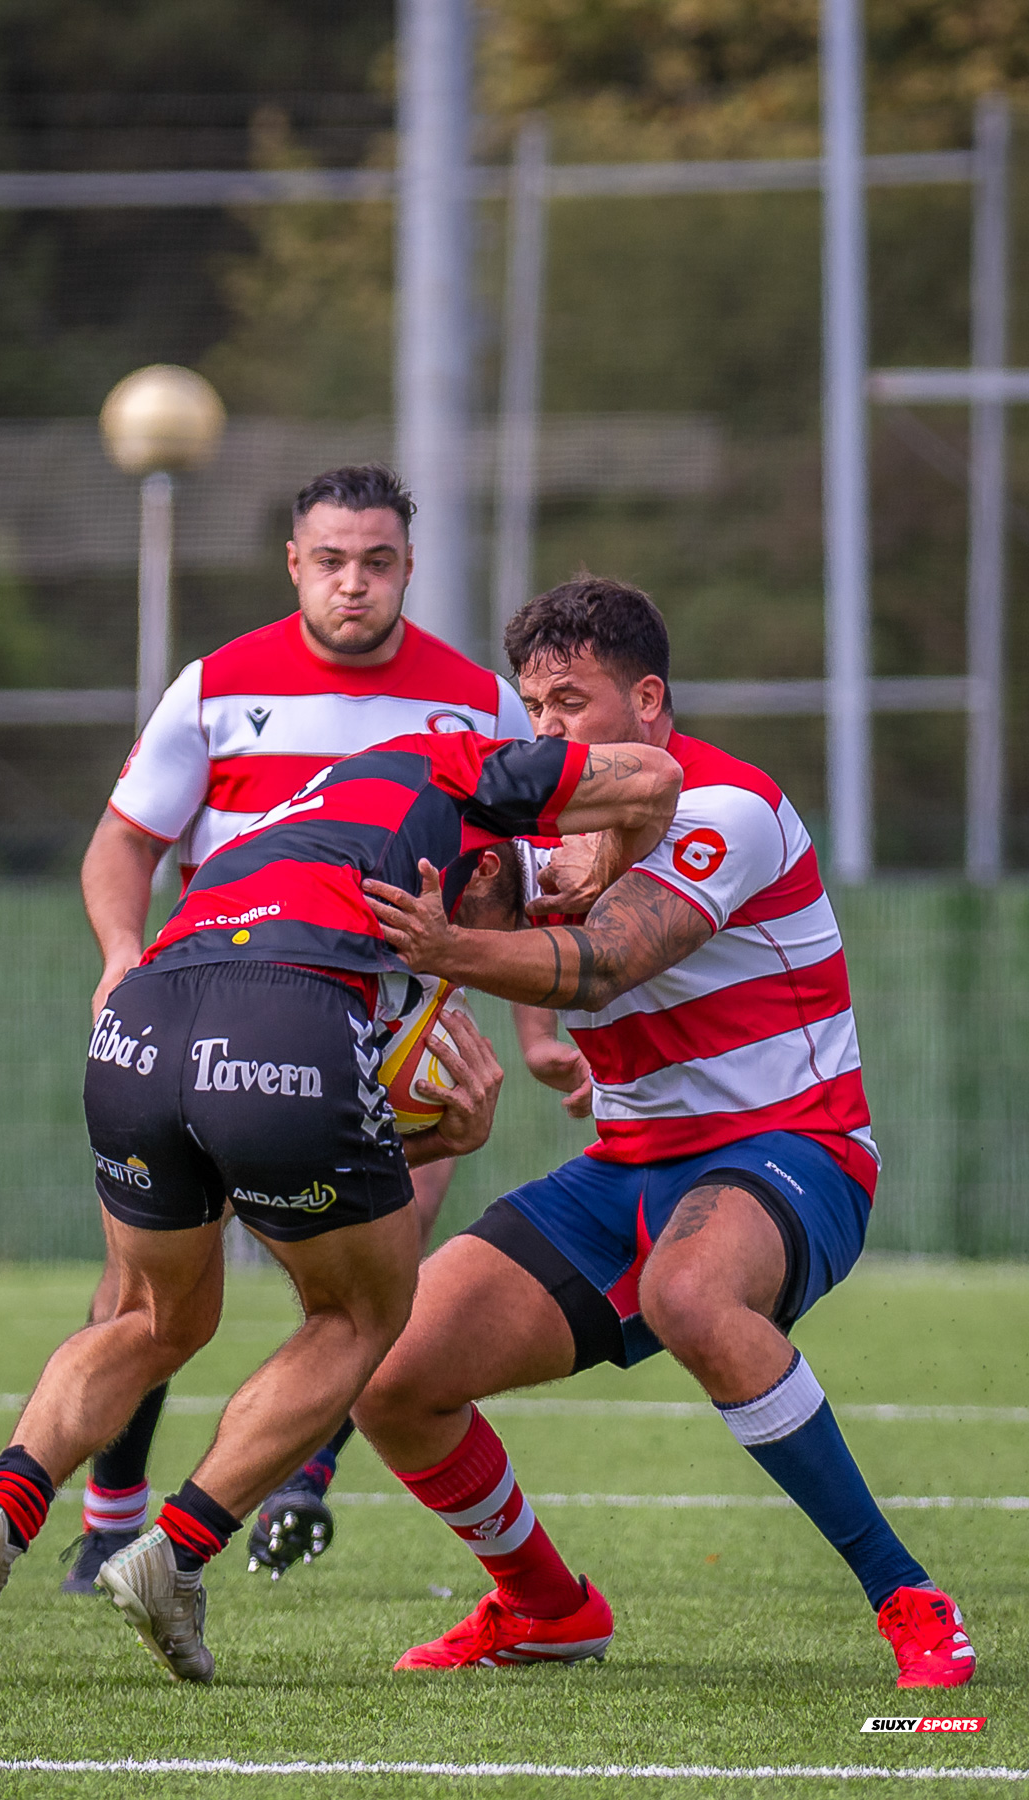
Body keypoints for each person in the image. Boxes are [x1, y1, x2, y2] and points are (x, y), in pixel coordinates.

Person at [0, 724, 681, 1688]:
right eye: (525, 893)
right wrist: (599, 860)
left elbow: (255, 1162)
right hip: (287, 1014)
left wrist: (433, 1133)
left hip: (141, 1022)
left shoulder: (294, 830)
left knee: (153, 1316)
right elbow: (655, 776)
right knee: (361, 1318)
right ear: (492, 852)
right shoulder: (461, 764)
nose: (513, 927)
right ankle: (176, 1554)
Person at [354, 576, 976, 1689]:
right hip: (629, 1166)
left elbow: (604, 963)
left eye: (571, 702)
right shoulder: (552, 820)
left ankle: (907, 1595)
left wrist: (448, 950)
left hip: (799, 1150)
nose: (547, 732)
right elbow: (495, 904)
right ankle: (546, 1609)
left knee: (691, 1293)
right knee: (390, 1376)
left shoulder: (726, 811)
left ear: (649, 701)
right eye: (532, 709)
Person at [68, 461, 532, 1593]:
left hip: (395, 1025)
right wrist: (122, 955)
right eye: (331, 561)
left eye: (378, 562)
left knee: (384, 1263)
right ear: (294, 564)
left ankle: (290, 1485)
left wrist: (544, 1028)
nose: (355, 584)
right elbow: (124, 841)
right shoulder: (219, 685)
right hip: (217, 1008)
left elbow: (510, 886)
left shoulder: (477, 704)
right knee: (146, 1289)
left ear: (409, 567)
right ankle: (107, 1517)